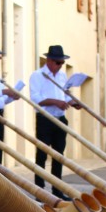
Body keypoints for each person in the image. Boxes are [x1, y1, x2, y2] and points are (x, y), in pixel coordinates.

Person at [29, 44, 78, 198]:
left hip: (60, 118)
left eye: (62, 63)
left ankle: (57, 189)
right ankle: (40, 191)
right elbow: (36, 98)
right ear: (48, 61)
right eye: (58, 63)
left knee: (59, 155)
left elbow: (65, 94)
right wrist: (55, 102)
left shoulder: (62, 76)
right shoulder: (37, 75)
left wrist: (73, 102)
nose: (60, 66)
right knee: (42, 155)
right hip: (45, 118)